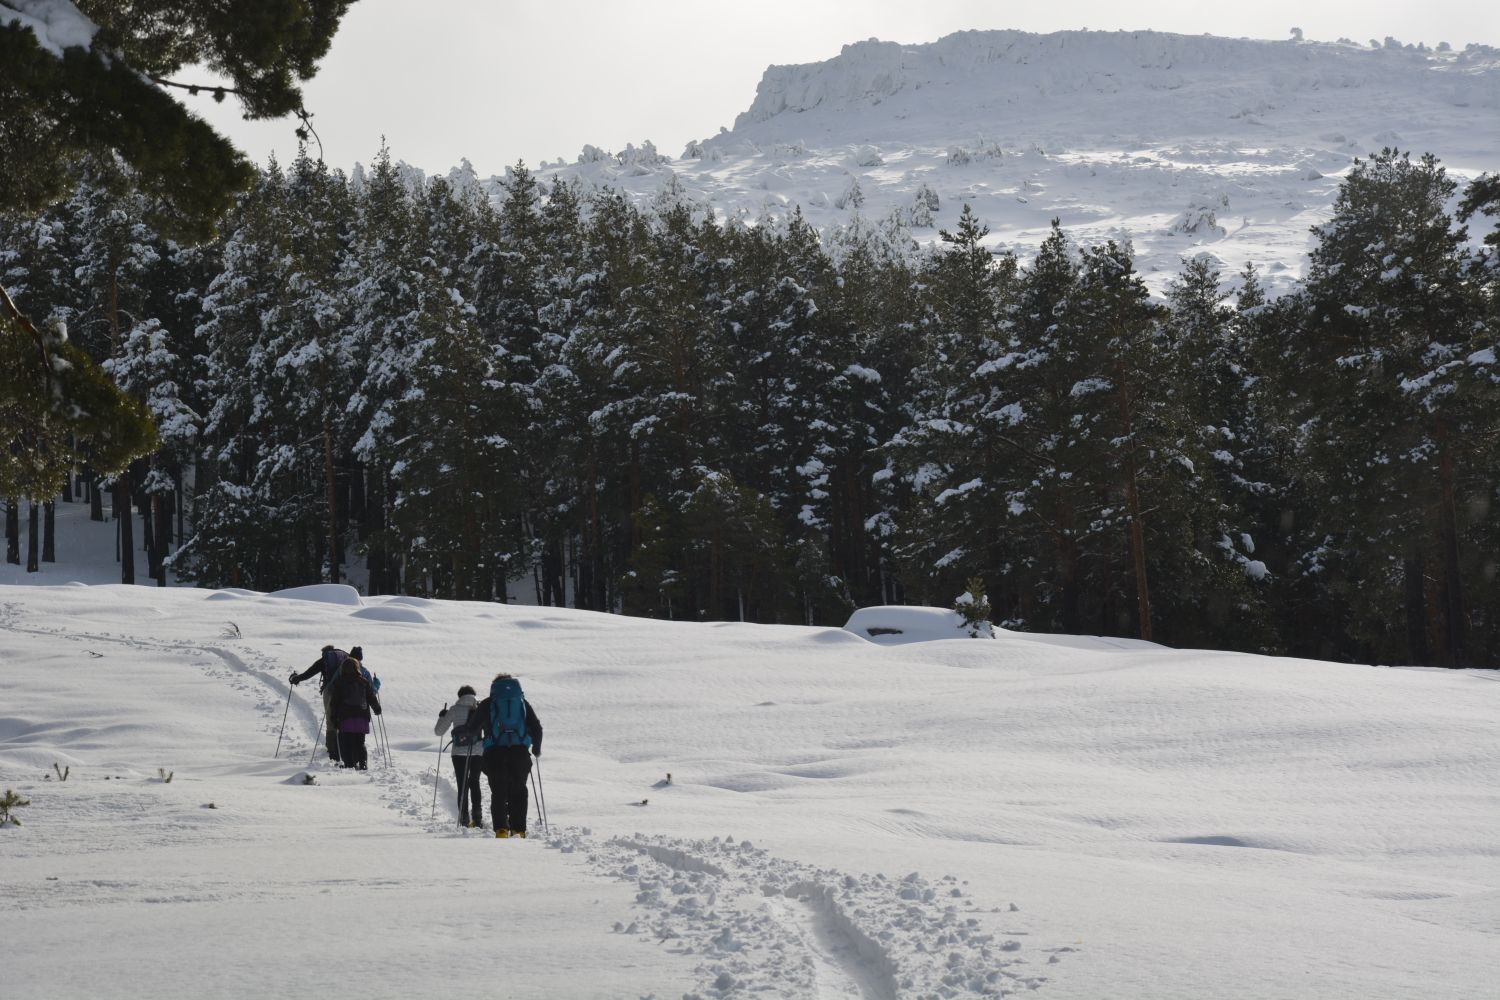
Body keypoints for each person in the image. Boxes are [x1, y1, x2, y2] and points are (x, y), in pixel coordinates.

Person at [474, 673, 542, 838]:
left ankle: (501, 829)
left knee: (498, 792)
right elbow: (537, 727)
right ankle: (519, 830)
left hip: (495, 754)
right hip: (519, 753)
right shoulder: (522, 703)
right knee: (518, 790)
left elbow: (473, 726)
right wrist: (536, 749)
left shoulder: (488, 703)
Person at [433, 685, 485, 828]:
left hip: (458, 753)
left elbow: (439, 732)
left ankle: (464, 820)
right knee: (475, 783)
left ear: (460, 696)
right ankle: (477, 818)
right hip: (478, 752)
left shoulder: (454, 709)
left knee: (462, 785)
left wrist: (442, 716)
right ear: (474, 695)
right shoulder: (480, 709)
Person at [289, 645, 347, 763]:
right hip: (346, 693)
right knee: (343, 719)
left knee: (331, 720)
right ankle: (345, 747)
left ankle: (332, 751)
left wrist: (296, 678)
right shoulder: (346, 657)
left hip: (330, 692)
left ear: (324, 652)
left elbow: (309, 673)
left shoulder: (324, 659)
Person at [327, 656, 381, 769]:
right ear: (357, 668)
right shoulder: (364, 682)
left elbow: (334, 702)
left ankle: (349, 764)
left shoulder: (340, 682)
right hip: (362, 717)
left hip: (345, 718)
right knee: (360, 742)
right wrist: (377, 708)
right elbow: (371, 697)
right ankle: (363, 764)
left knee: (346, 743)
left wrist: (333, 717)